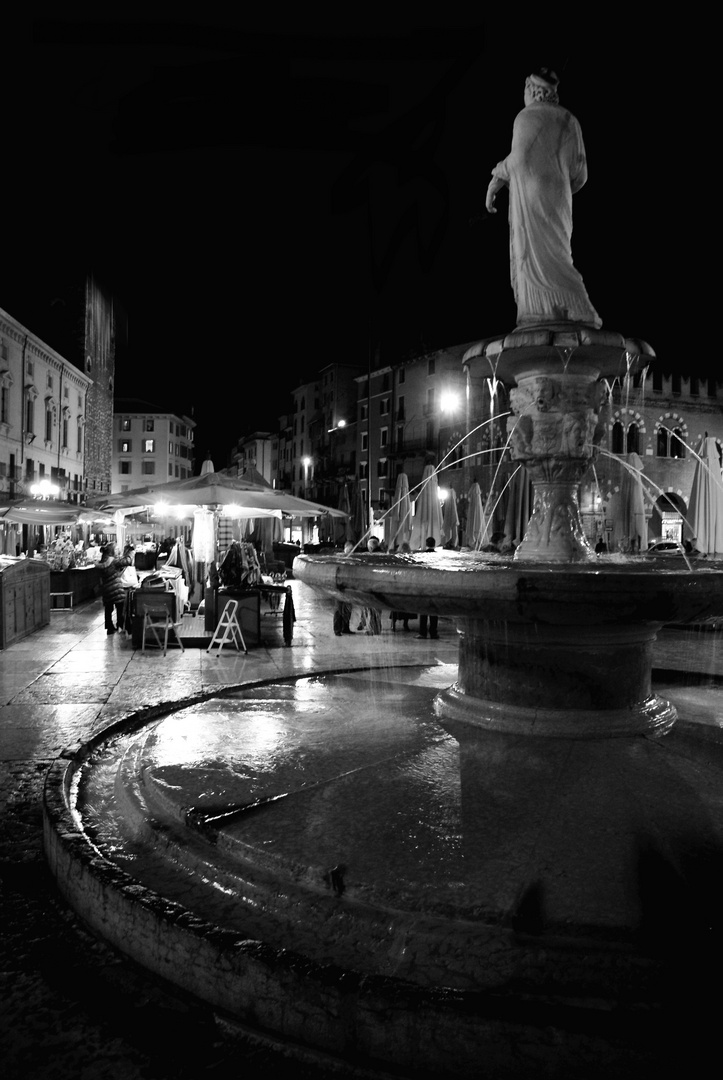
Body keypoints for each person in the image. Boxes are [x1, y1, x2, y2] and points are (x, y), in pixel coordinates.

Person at [485, 67, 601, 329]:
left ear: (531, 91)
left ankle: (538, 308)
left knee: (536, 257)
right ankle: (576, 305)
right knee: (560, 253)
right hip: (559, 197)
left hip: (532, 195)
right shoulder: (570, 121)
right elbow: (581, 174)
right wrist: (559, 189)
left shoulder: (526, 118)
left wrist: (496, 177)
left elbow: (518, 160)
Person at [99, 541, 134, 636]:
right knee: (120, 607)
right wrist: (130, 553)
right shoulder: (113, 561)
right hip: (116, 588)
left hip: (106, 588)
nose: (117, 551)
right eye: (116, 549)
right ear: (111, 551)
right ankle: (120, 625)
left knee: (108, 608)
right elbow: (127, 561)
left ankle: (109, 627)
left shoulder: (103, 561)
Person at [417, 537, 439, 639]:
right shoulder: (438, 556)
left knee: (424, 610)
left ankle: (423, 632)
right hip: (435, 585)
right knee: (434, 610)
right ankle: (433, 632)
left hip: (424, 585)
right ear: (434, 544)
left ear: (426, 544)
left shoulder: (423, 555)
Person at [333, 542, 355, 635]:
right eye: (349, 550)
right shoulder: (340, 559)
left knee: (347, 608)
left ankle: (345, 627)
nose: (351, 552)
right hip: (340, 587)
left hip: (349, 587)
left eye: (352, 550)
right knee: (339, 609)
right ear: (345, 549)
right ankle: (337, 629)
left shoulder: (352, 560)